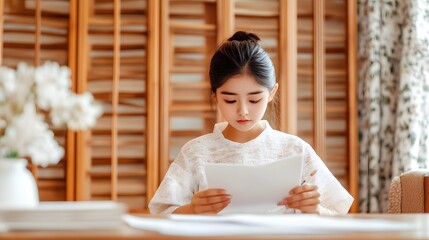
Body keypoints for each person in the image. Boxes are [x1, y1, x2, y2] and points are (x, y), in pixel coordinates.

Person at [149, 31, 354, 215]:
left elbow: (338, 211)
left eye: (254, 99)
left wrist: (314, 209)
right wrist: (192, 210)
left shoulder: (295, 150)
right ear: (214, 95)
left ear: (272, 92)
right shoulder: (195, 152)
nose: (243, 111)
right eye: (230, 100)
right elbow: (160, 212)